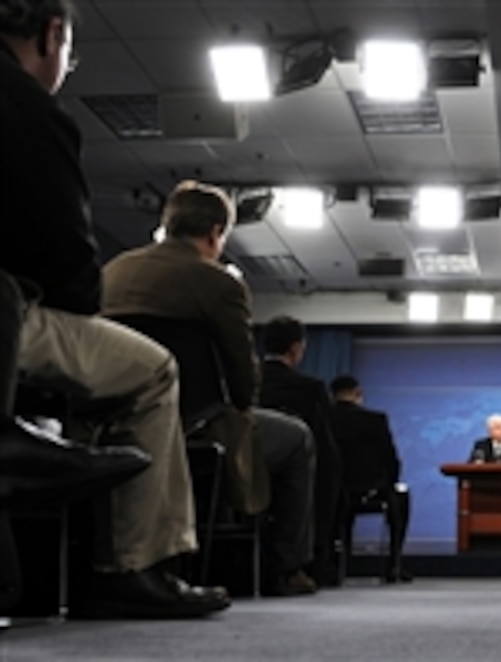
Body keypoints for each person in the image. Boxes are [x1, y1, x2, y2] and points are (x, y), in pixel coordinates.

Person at [0, 0, 229, 618]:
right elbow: (71, 272)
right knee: (153, 371)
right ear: (52, 35)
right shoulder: (26, 109)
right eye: (70, 52)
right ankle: (135, 565)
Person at [101, 181, 319, 597]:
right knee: (297, 439)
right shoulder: (218, 281)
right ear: (216, 233)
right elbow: (242, 379)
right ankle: (288, 568)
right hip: (195, 422)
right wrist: (241, 408)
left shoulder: (113, 271)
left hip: (108, 420)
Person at [260, 316, 343, 587]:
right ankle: (305, 565)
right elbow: (326, 442)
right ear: (295, 349)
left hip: (246, 467)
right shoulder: (311, 388)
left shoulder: (248, 383)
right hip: (296, 474)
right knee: (327, 470)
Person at [328, 375, 412, 584]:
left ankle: (331, 566)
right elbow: (390, 459)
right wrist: (390, 482)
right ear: (358, 394)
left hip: (333, 492)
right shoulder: (375, 419)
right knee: (401, 498)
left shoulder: (324, 419)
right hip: (372, 490)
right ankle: (394, 565)